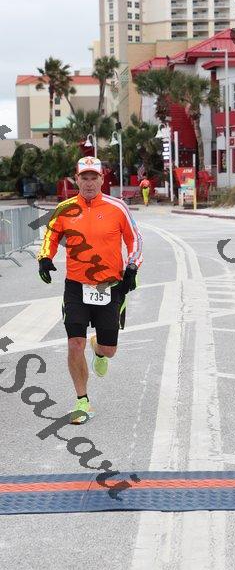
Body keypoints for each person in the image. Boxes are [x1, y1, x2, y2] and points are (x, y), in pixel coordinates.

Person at [37, 157, 143, 424]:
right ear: (76, 179)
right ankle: (82, 401)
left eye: (93, 177)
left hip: (109, 285)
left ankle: (98, 348)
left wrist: (133, 266)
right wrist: (45, 257)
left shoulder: (117, 207)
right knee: (75, 343)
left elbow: (135, 239)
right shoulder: (64, 209)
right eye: (83, 177)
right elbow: (51, 235)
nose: (88, 183)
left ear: (102, 179)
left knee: (109, 349)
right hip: (76, 287)